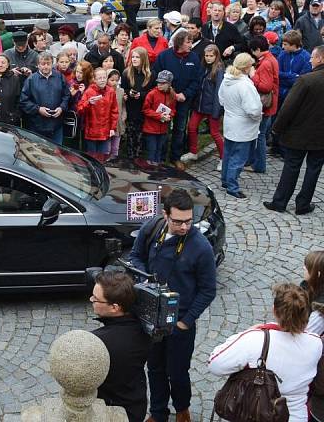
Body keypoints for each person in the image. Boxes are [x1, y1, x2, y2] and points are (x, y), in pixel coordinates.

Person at [130, 188, 216, 422]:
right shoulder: (152, 228)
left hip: (180, 319)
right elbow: (135, 256)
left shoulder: (201, 247)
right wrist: (144, 280)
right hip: (152, 316)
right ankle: (158, 413)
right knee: (155, 368)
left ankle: (182, 409)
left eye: (189, 221)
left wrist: (186, 323)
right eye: (178, 222)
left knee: (177, 372)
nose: (185, 227)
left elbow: (209, 290)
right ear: (165, 215)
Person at [208, 283, 321, 422]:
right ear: (305, 314)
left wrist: (247, 332)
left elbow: (215, 364)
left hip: (257, 413)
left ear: (274, 311)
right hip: (297, 416)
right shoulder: (316, 343)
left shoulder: (255, 339)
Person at [264, 45, 324, 214]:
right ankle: (303, 204)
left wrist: (277, 128)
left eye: (313, 57)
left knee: (291, 167)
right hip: (320, 137)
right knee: (313, 170)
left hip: (298, 134)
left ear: (320, 59)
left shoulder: (306, 80)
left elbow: (288, 107)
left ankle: (280, 202)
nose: (310, 60)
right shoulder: (307, 79)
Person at [90, 271, 151, 422]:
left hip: (112, 411)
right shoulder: (145, 328)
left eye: (96, 299)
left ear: (114, 307)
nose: (91, 300)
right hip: (136, 403)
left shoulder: (98, 342)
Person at [218, 53, 263, 198]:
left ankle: (225, 180)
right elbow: (254, 109)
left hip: (230, 123)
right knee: (238, 158)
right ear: (247, 68)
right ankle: (232, 186)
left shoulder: (227, 80)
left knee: (228, 154)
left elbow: (221, 100)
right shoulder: (245, 85)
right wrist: (258, 117)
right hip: (243, 127)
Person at [153, 30, 201, 169]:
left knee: (180, 129)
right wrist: (170, 92)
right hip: (166, 99)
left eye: (191, 42)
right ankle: (161, 158)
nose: (191, 45)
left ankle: (175, 156)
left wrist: (185, 94)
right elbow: (157, 75)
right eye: (188, 42)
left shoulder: (194, 58)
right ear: (179, 42)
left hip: (184, 100)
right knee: (163, 128)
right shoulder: (164, 56)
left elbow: (196, 80)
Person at [20, 52, 71, 144]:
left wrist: (62, 107)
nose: (46, 66)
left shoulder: (60, 77)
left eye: (48, 64)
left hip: (56, 125)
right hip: (37, 125)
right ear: (38, 65)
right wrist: (38, 109)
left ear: (52, 64)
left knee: (57, 155)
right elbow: (24, 100)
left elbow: (66, 95)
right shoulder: (31, 80)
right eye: (43, 64)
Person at [246, 35, 279, 174]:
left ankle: (259, 165)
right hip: (270, 104)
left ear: (258, 49)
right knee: (261, 135)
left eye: (253, 51)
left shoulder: (265, 63)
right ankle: (255, 162)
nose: (252, 54)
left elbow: (265, 87)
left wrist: (253, 75)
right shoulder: (270, 58)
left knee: (260, 136)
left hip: (265, 105)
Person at [76, 67, 119, 161]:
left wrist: (113, 128)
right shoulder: (89, 92)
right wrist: (89, 103)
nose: (102, 80)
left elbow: (114, 111)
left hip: (105, 131)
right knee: (91, 158)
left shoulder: (111, 91)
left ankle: (100, 174)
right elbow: (79, 109)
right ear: (95, 80)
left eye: (104, 77)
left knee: (101, 158)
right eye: (99, 78)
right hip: (91, 131)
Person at [120, 47, 154, 159]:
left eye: (137, 57)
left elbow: (153, 91)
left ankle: (139, 157)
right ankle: (130, 157)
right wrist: (129, 92)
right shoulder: (126, 73)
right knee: (130, 133)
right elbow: (123, 89)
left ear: (143, 58)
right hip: (131, 107)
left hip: (144, 108)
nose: (134, 59)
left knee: (141, 135)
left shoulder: (151, 74)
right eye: (133, 57)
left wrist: (142, 95)